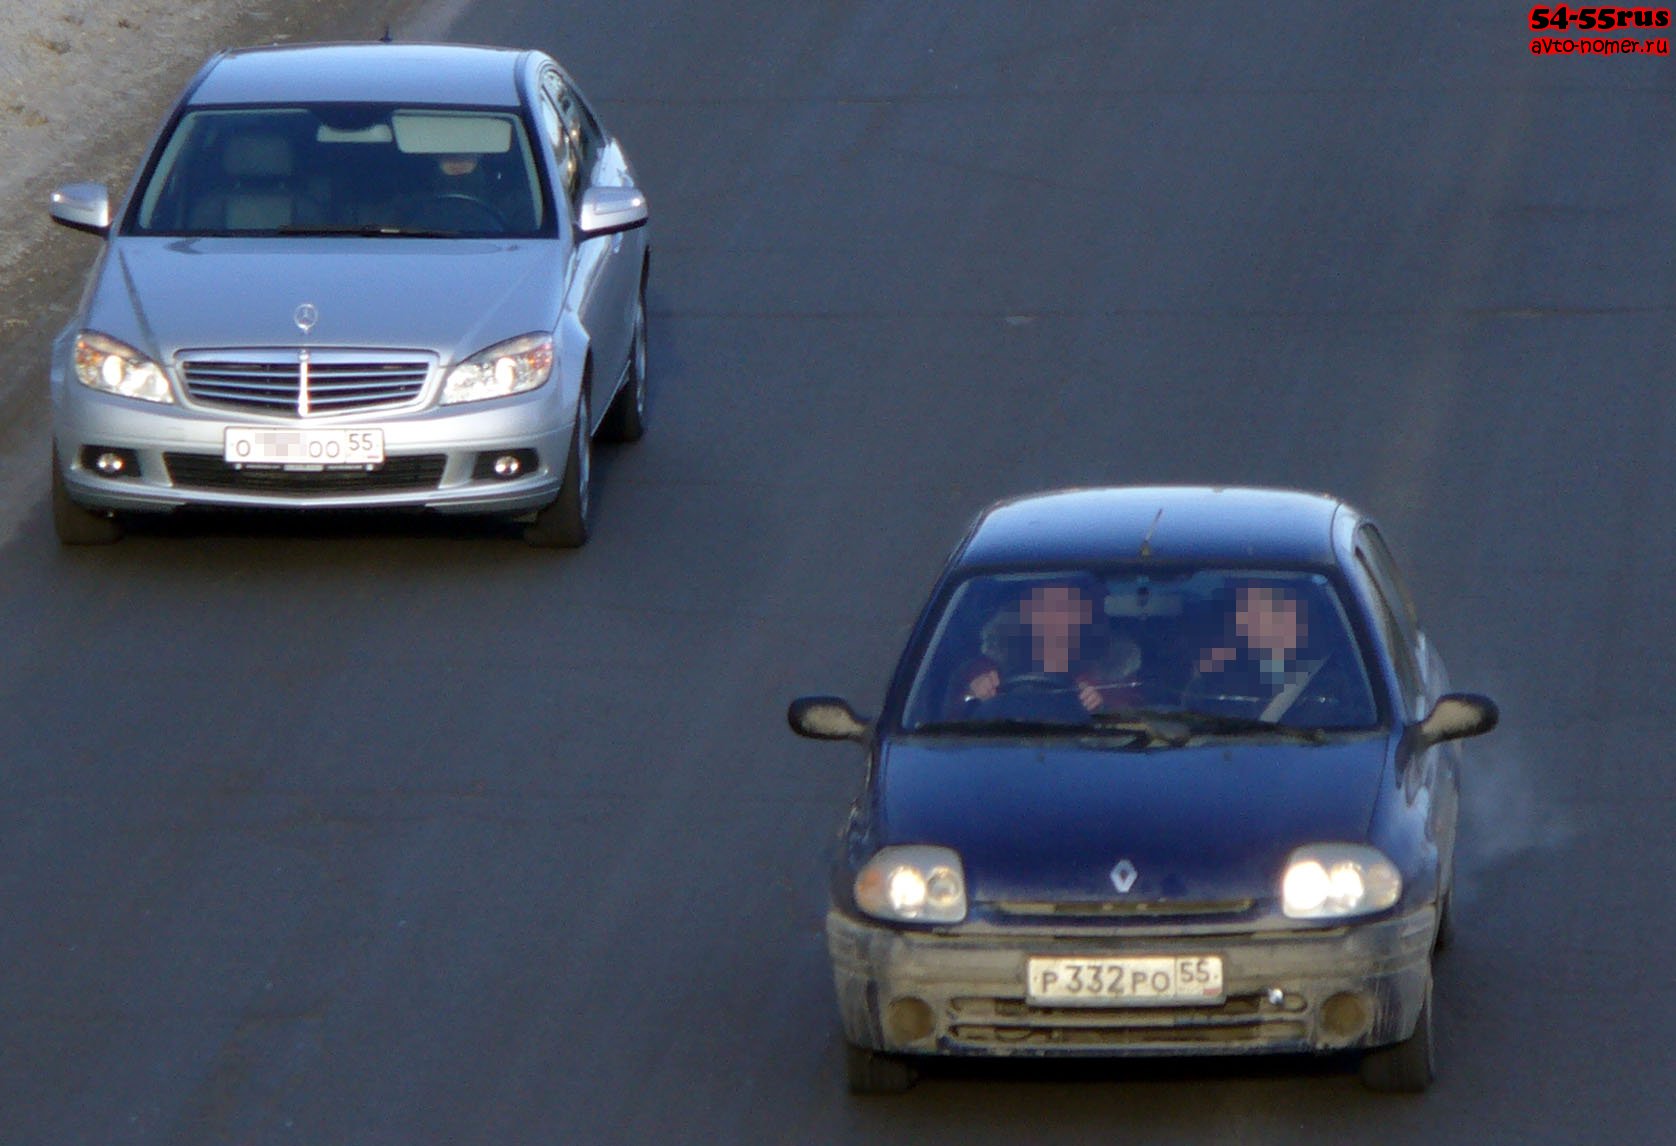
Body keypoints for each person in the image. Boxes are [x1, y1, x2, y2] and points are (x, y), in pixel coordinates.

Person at [953, 576, 1141, 718]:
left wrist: (1101, 707)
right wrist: (973, 694)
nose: (1053, 623)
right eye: (1043, 611)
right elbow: (943, 722)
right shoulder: (988, 667)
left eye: (1065, 611)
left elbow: (1136, 725)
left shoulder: (1114, 671)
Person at [1182, 580, 1360, 723]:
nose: (1246, 622)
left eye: (1271, 610)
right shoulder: (1225, 674)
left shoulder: (1338, 690)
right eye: (1242, 608)